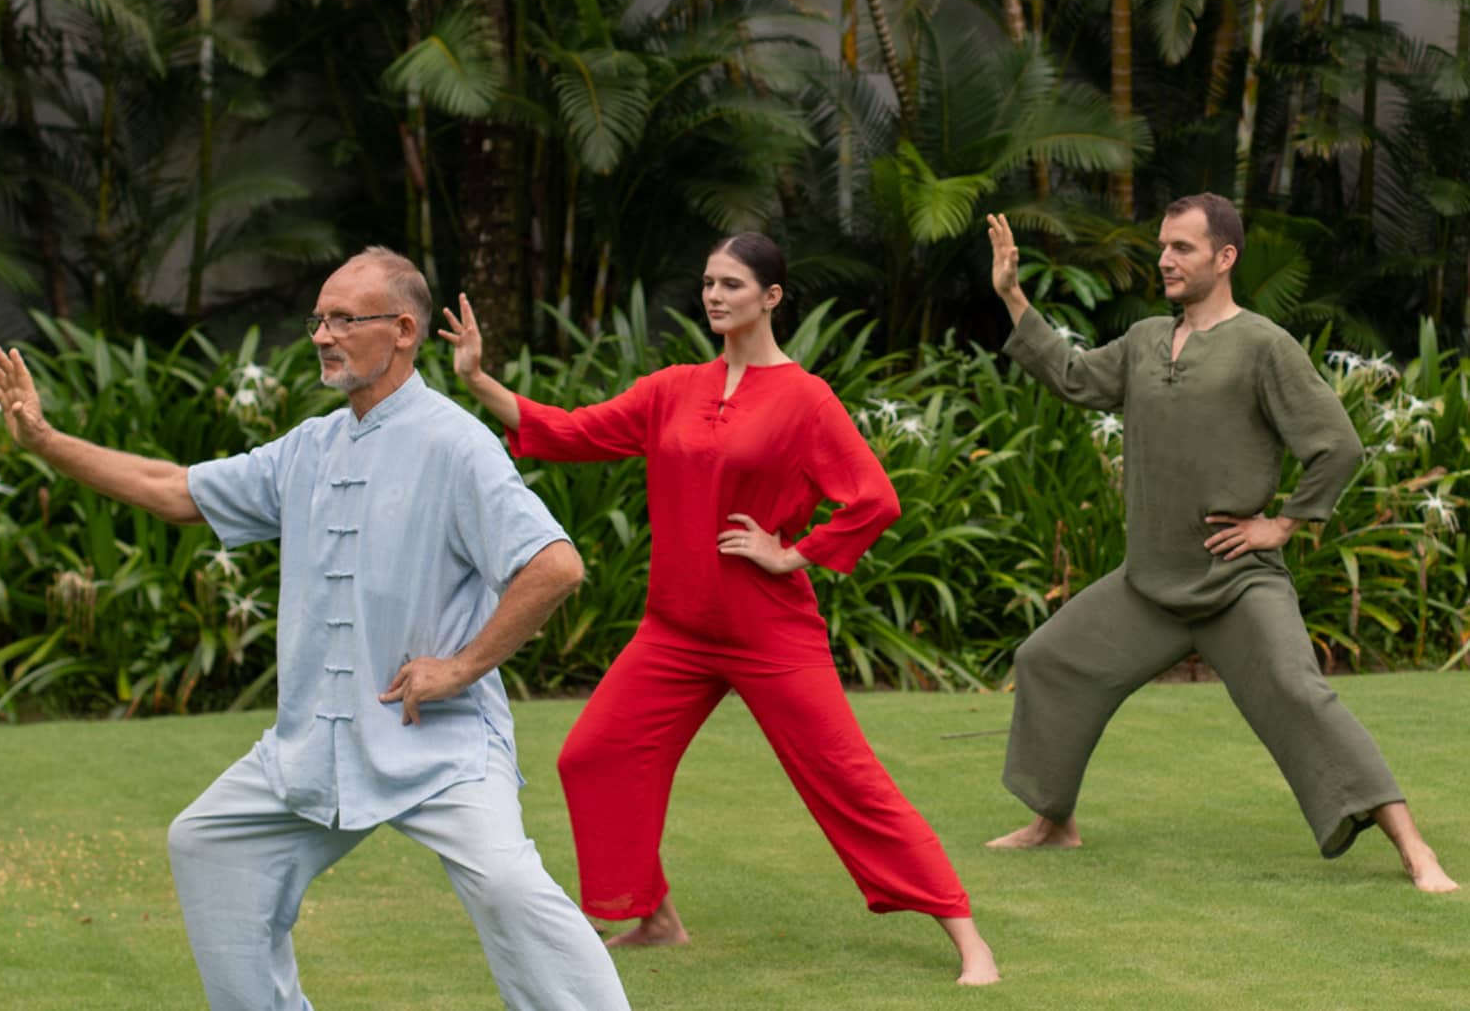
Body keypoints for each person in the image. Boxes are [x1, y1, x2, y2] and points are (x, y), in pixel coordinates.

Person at [0, 246, 634, 1011]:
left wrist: (458, 668)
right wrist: (46, 442)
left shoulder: (456, 443)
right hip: (315, 746)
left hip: (440, 744)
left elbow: (555, 565)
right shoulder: (310, 447)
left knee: (508, 886)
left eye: (343, 320)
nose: (321, 335)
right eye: (318, 319)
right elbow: (175, 491)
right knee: (209, 844)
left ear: (403, 330)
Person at [442, 232, 999, 987]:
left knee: (847, 778)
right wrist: (478, 379)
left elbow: (874, 499)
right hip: (674, 630)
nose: (713, 295)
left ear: (770, 297)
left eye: (731, 284)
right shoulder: (673, 388)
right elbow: (573, 430)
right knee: (591, 757)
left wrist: (791, 552)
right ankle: (655, 916)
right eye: (708, 282)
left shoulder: (805, 400)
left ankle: (969, 940)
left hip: (770, 633)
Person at [984, 197, 1457, 893]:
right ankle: (1055, 821)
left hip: (1237, 580)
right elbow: (1077, 378)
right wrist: (1012, 294)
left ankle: (1416, 851)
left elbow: (1337, 445)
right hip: (1148, 582)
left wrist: (1284, 523)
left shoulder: (1264, 346)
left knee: (1300, 692)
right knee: (1047, 659)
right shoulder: (1146, 340)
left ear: (1224, 258)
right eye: (1163, 247)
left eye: (1182, 248)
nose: (1166, 260)